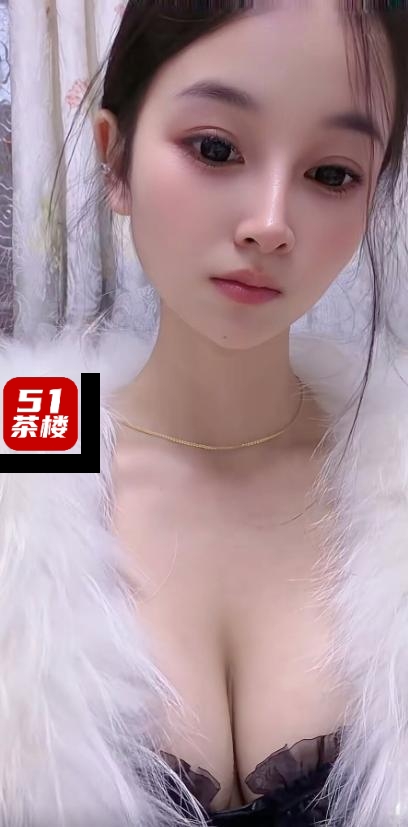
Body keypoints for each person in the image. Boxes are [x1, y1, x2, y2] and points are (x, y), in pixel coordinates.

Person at [0, 1, 408, 825]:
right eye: (216, 148)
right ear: (115, 161)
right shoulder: (25, 468)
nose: (270, 224)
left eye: (333, 174)